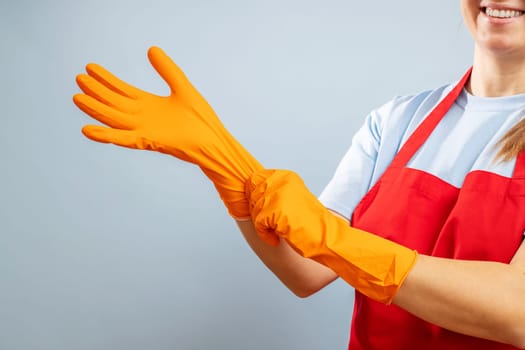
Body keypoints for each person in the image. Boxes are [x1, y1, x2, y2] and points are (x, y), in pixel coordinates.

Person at [72, 1, 525, 349]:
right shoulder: (399, 120)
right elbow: (305, 269)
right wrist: (224, 161)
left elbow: (515, 312)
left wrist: (335, 240)